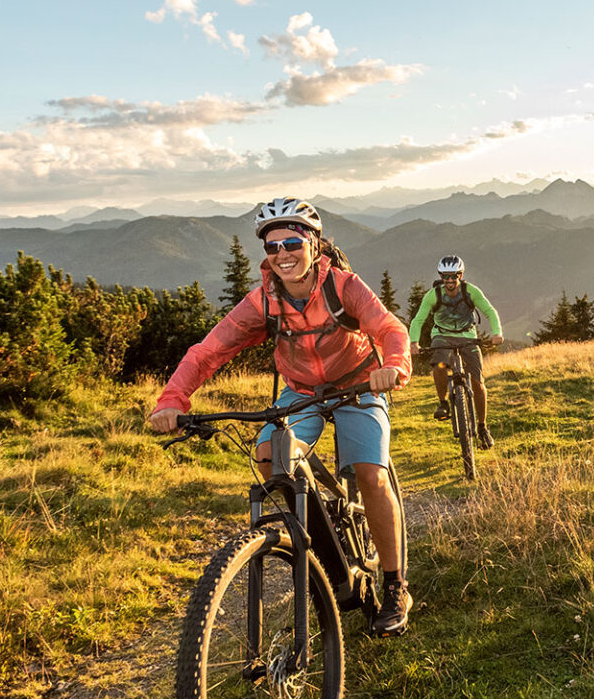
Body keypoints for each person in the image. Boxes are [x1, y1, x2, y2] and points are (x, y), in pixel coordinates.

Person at [147, 197, 415, 636]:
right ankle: (322, 557)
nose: (282, 254)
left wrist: (395, 364)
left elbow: (388, 327)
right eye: (273, 247)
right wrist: (172, 400)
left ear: (313, 244)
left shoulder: (344, 286)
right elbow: (209, 351)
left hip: (359, 383)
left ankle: (394, 585)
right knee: (272, 457)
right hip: (301, 392)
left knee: (371, 473)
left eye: (292, 242)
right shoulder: (263, 302)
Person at [408, 254, 503, 449]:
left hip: (468, 336)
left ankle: (483, 427)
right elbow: (418, 320)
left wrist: (497, 333)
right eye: (445, 277)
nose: (450, 281)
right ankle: (443, 402)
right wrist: (413, 343)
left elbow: (490, 311)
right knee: (439, 364)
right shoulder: (433, 295)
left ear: (460, 275)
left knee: (477, 382)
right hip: (442, 336)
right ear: (441, 277)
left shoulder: (471, 292)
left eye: (454, 276)